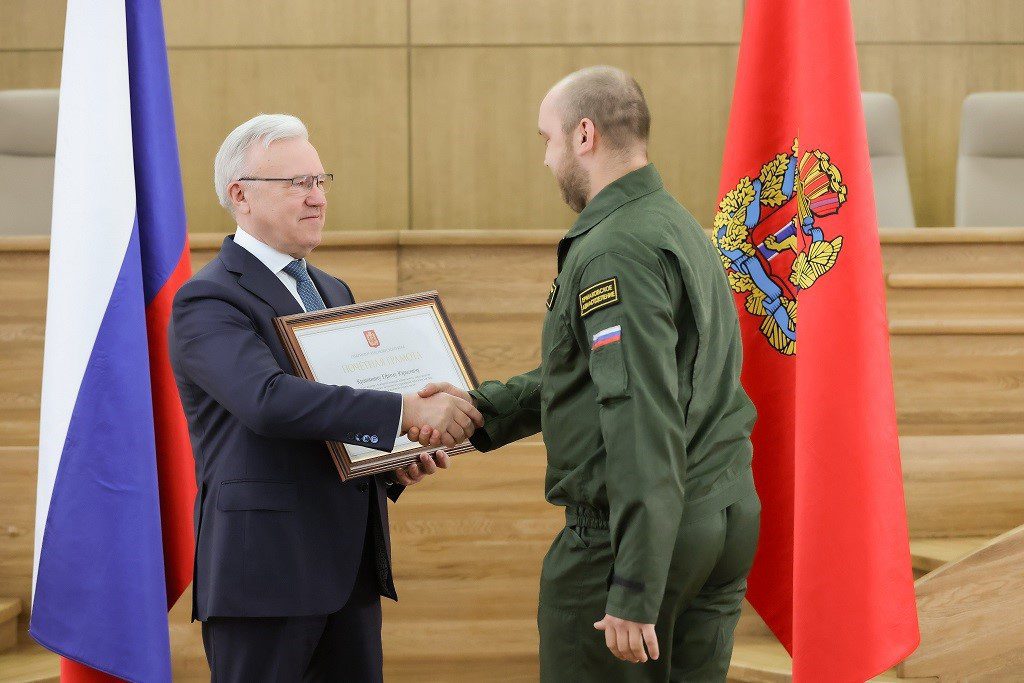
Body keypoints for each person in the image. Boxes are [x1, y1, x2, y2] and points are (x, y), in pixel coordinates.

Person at [409, 66, 760, 681]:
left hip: (632, 541)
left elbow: (639, 416)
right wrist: (481, 410)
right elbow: (598, 374)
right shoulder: (677, 222)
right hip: (720, 516)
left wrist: (632, 586)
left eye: (546, 139)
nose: (546, 160)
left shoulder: (614, 249)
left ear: (584, 136)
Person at [168, 113, 483, 682]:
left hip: (349, 571)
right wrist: (403, 412)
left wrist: (392, 463)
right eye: (297, 184)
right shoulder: (208, 300)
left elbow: (334, 417)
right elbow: (267, 401)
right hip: (264, 576)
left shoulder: (333, 291)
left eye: (320, 181)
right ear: (239, 195)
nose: (317, 198)